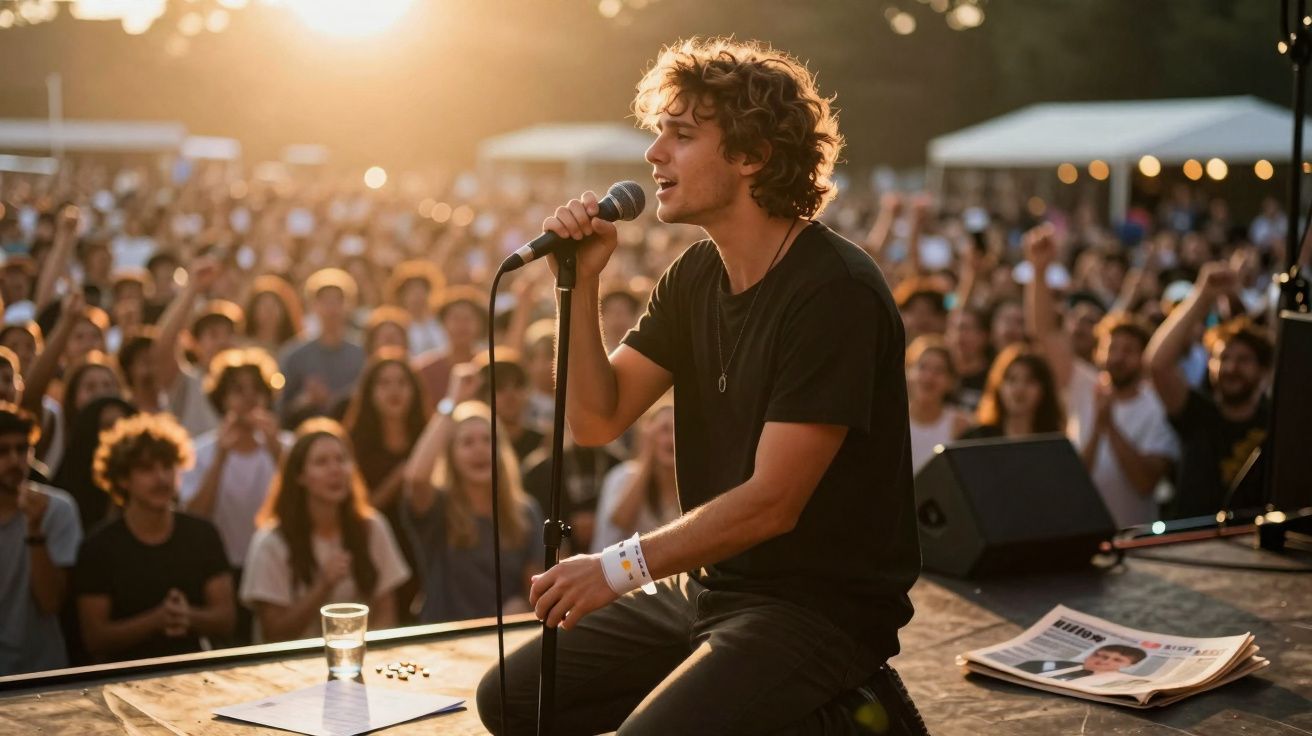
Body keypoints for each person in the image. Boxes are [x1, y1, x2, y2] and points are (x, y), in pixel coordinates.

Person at [478, 38, 919, 735]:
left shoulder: (834, 290)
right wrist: (581, 283)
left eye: (681, 136)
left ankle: (836, 712)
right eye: (659, 133)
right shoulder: (693, 277)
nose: (654, 154)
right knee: (510, 698)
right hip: (712, 585)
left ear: (752, 156)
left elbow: (774, 502)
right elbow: (596, 420)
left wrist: (617, 568)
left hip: (815, 608)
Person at [1025, 225, 1178, 527]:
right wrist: (1039, 270)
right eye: (1112, 347)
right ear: (1098, 352)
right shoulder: (1083, 383)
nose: (1118, 357)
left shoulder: (1157, 406)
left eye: (1129, 350)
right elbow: (1044, 331)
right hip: (1077, 535)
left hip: (1135, 545)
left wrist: (1109, 426)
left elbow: (1145, 483)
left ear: (1143, 357)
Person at [73, 413, 235, 662]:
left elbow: (226, 618)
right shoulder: (99, 547)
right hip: (121, 681)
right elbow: (95, 638)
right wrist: (156, 620)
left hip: (196, 677)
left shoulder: (203, 534)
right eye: (146, 469)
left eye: (167, 466)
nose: (161, 478)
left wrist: (187, 616)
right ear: (123, 479)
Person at [240, 419, 409, 642]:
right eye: (321, 462)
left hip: (358, 661)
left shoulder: (372, 527)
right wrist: (323, 585)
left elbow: (387, 612)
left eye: (341, 460)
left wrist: (361, 654)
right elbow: (274, 633)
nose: (336, 470)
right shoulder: (271, 543)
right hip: (291, 668)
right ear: (299, 476)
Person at [1145, 262, 1273, 517]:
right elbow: (1157, 364)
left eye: (1243, 360)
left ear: (1263, 371)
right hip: (1192, 545)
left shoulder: (1276, 422)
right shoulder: (1196, 413)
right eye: (1223, 358)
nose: (1231, 368)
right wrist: (1202, 294)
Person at [178, 348, 288, 643]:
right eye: (238, 390)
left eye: (256, 390)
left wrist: (277, 450)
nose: (248, 398)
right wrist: (221, 458)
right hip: (223, 572)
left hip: (277, 567)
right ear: (223, 398)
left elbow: (300, 500)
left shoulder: (287, 447)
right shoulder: (199, 453)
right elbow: (195, 517)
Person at [403, 401, 544, 624]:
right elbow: (416, 479)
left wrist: (523, 603)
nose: (480, 449)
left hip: (505, 640)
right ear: (450, 455)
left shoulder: (526, 511)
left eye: (488, 440)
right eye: (467, 442)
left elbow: (536, 584)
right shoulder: (438, 507)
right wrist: (451, 400)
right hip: (445, 641)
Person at [342, 350, 430, 619]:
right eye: (384, 383)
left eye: (402, 383)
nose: (394, 391)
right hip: (373, 548)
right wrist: (398, 480)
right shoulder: (352, 443)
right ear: (370, 391)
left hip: (424, 547)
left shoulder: (427, 438)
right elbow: (352, 509)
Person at [0, 404, 81, 676]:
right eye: (2, 451)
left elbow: (50, 602)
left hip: (41, 676)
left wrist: (35, 529)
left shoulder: (57, 508)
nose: (14, 460)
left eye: (22, 449)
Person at [279, 269, 367, 428]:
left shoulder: (362, 354)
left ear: (348, 305)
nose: (331, 308)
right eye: (325, 301)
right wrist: (306, 400)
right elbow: (281, 409)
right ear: (313, 306)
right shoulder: (294, 355)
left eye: (337, 300)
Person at [590, 402, 679, 552]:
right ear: (648, 435)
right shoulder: (622, 476)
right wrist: (646, 458)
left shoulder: (690, 484)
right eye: (664, 430)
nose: (671, 440)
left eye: (678, 431)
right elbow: (621, 521)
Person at [51, 396, 137, 533]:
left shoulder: (148, 488)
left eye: (124, 425)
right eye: (108, 426)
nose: (117, 435)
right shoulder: (66, 496)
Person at [961, 344, 1066, 440]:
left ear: (1044, 390)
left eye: (1030, 381)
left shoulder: (1053, 442)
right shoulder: (977, 439)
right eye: (1011, 379)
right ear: (998, 387)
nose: (1019, 388)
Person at [905, 336, 970, 474]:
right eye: (922, 367)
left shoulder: (962, 425)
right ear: (908, 373)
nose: (929, 377)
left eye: (939, 370)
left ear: (951, 381)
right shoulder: (891, 420)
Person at [1017, 644, 1147, 681]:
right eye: (1101, 655)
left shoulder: (1120, 684)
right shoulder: (1038, 664)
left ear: (1130, 665)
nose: (1104, 661)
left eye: (1117, 660)